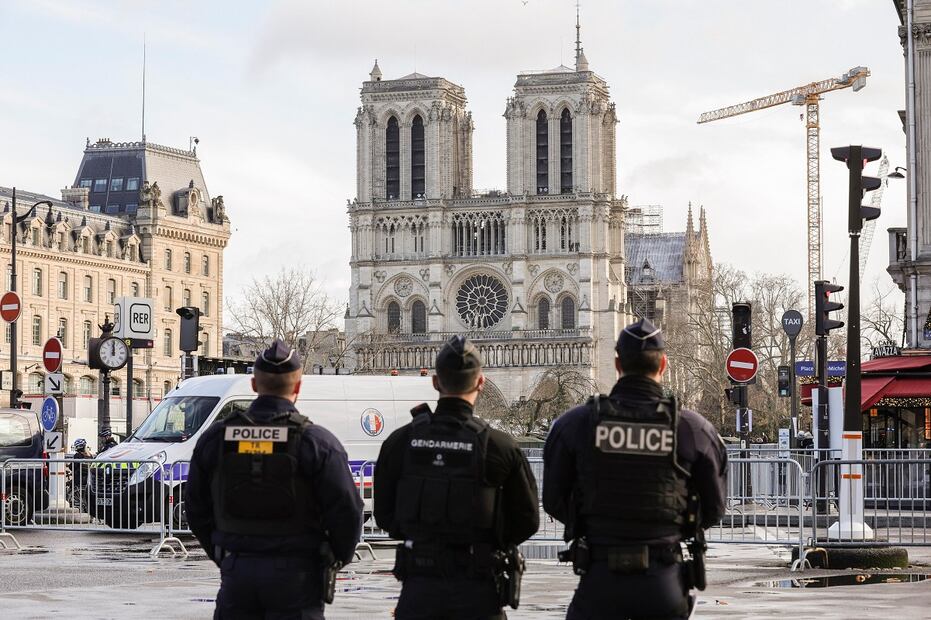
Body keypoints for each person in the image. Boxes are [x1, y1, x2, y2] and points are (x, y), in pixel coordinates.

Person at [543, 318, 728, 620]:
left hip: (599, 578)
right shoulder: (693, 429)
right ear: (663, 364)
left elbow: (553, 498)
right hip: (663, 579)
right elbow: (714, 508)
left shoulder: (575, 424)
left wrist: (593, 524)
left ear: (617, 363)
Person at [185, 339, 363, 619]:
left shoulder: (217, 438)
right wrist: (333, 559)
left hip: (237, 574)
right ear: (298, 387)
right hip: (298, 576)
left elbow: (196, 508)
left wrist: (224, 554)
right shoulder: (317, 442)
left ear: (254, 385)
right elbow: (348, 511)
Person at [374, 335, 540, 620]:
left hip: (419, 589)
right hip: (478, 591)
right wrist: (490, 541)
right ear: (481, 383)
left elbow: (385, 516)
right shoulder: (500, 446)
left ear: (436, 382)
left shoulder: (400, 442)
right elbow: (527, 519)